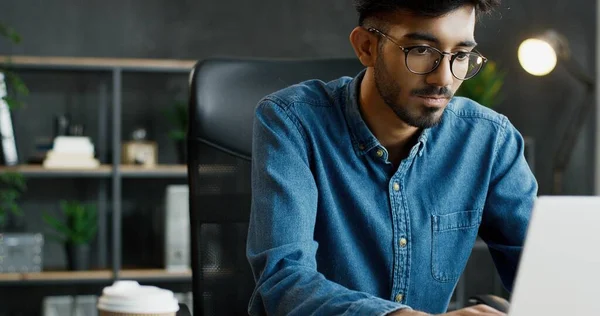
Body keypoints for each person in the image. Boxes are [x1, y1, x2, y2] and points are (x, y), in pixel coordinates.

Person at [246, 0, 538, 315]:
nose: (443, 79)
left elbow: (546, 271)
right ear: (367, 47)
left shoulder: (489, 139)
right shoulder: (292, 122)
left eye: (461, 55)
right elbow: (284, 280)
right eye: (421, 50)